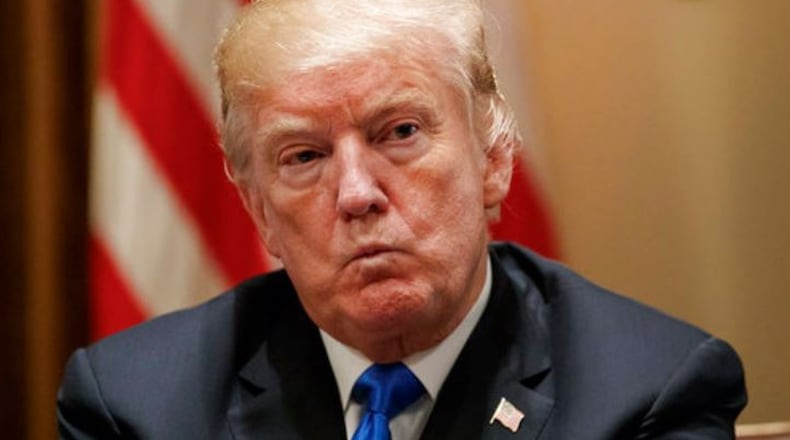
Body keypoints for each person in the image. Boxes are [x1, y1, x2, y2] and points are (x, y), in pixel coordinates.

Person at [57, 0, 747, 438]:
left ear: (494, 162)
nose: (357, 193)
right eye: (304, 155)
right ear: (259, 210)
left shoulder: (650, 394)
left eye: (400, 133)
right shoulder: (134, 406)